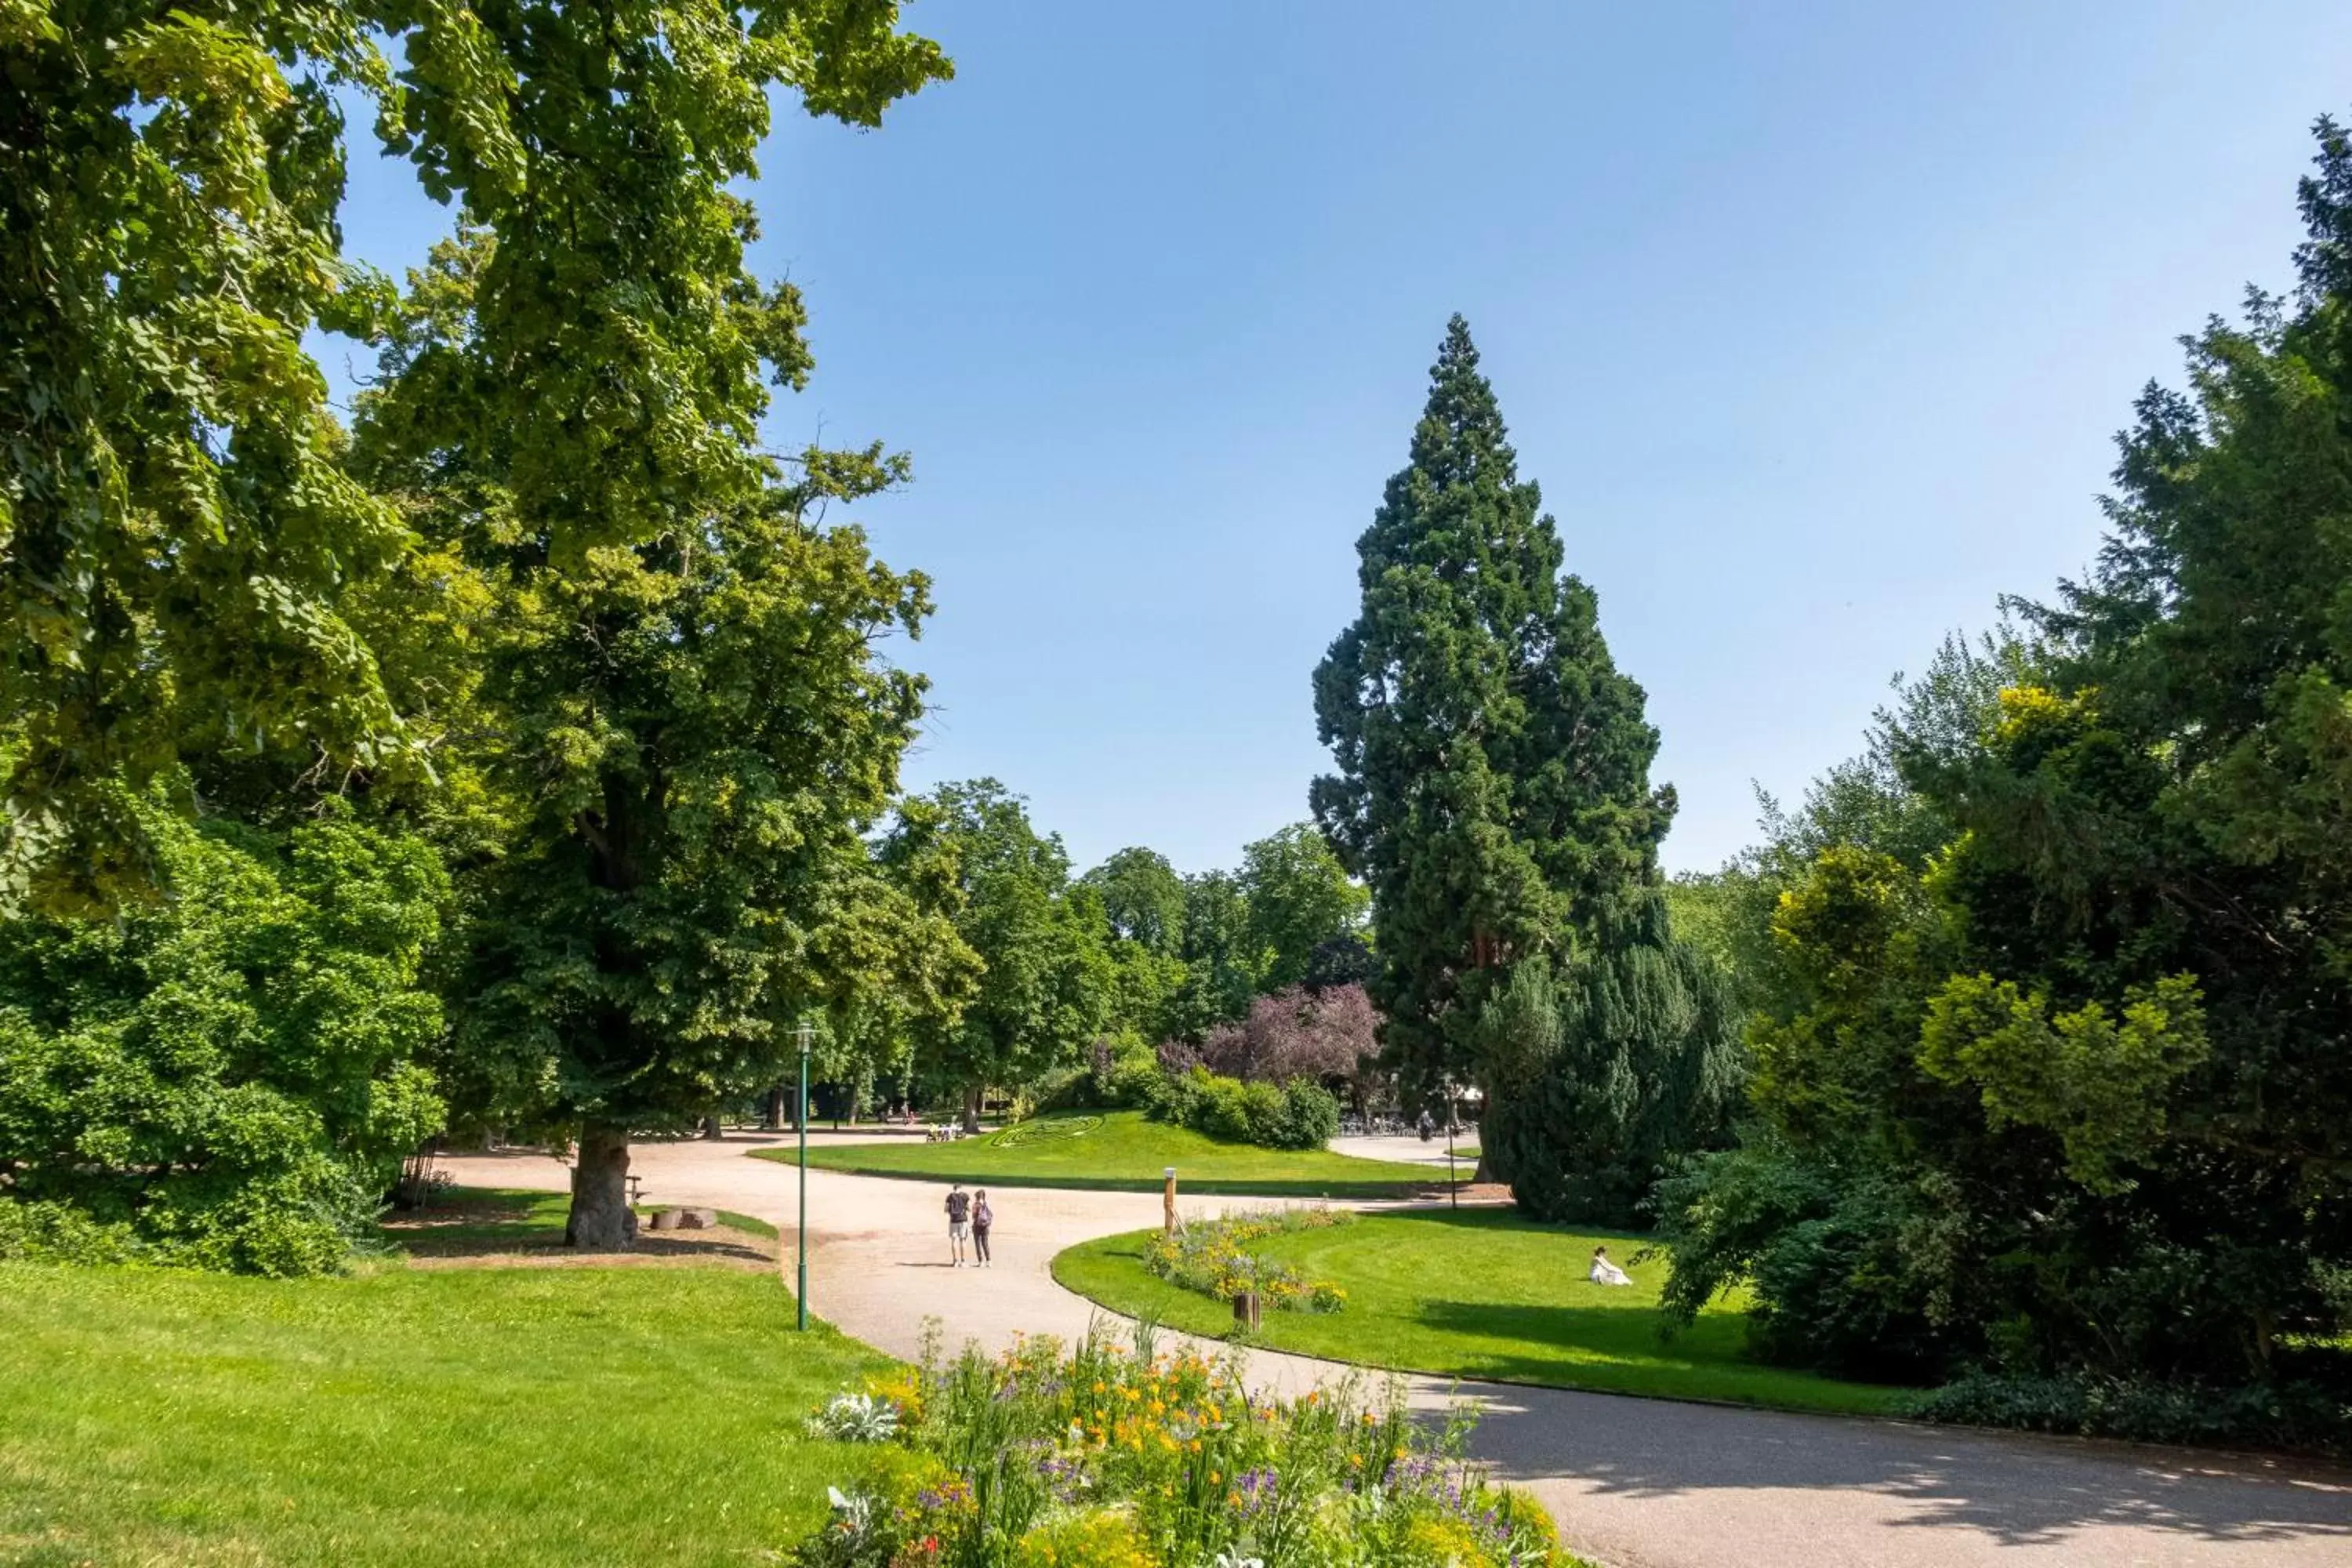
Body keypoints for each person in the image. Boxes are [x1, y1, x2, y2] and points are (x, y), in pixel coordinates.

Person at [946, 1183, 972, 1267]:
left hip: (953, 1220)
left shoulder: (950, 1197)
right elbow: (969, 1208)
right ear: (960, 1188)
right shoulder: (965, 1196)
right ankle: (963, 1261)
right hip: (963, 1219)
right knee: (962, 1240)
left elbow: (946, 1209)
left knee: (954, 1240)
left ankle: (955, 1261)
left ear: (954, 1188)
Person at [971, 1189, 993, 1268]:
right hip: (985, 1226)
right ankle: (989, 1261)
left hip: (977, 1226)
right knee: (985, 1243)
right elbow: (990, 1214)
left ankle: (981, 1261)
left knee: (978, 1244)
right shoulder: (986, 1205)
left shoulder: (975, 1205)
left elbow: (974, 1216)